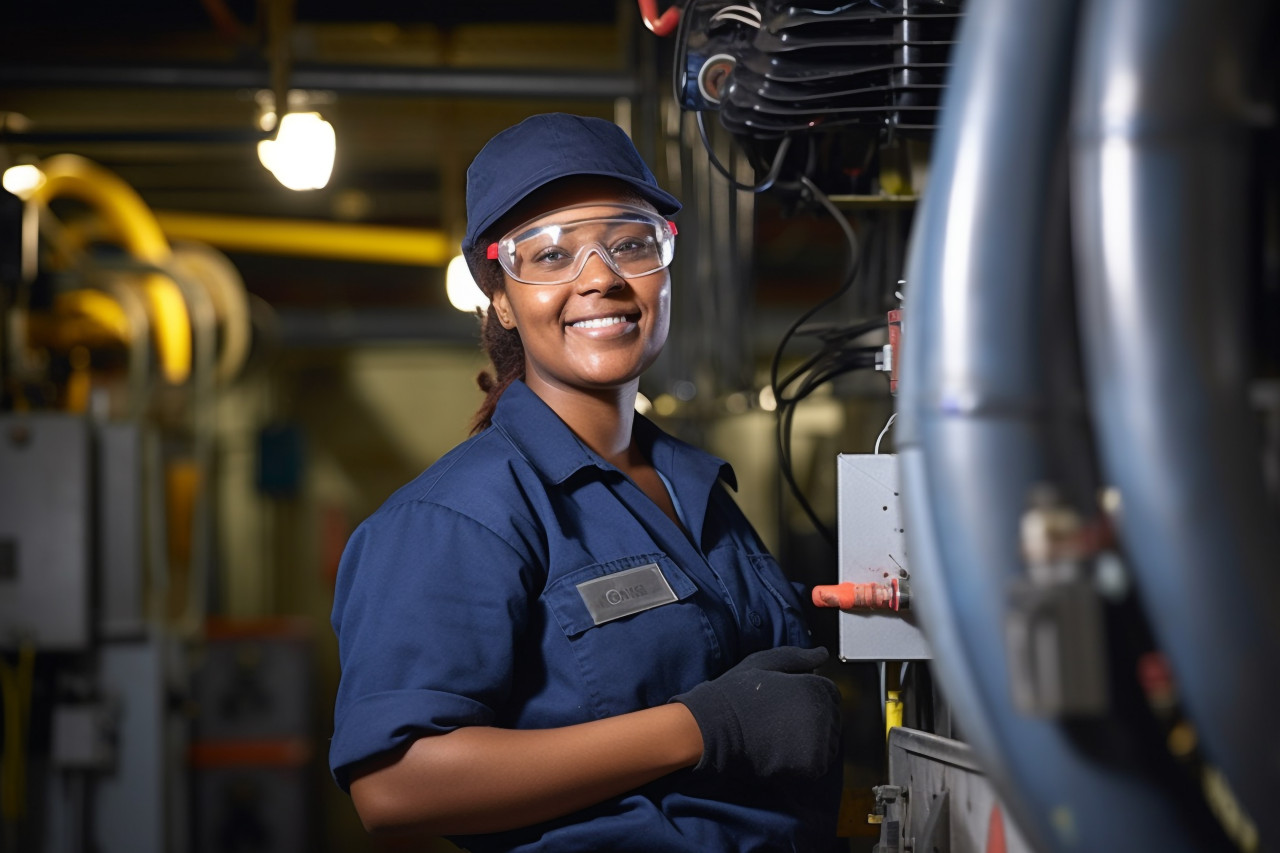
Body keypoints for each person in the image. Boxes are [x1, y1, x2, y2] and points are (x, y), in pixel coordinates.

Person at [329, 113, 843, 852]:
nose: (599, 276)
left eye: (629, 243)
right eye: (549, 254)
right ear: (501, 298)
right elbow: (396, 784)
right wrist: (702, 727)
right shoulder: (458, 516)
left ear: (664, 268)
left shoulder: (700, 492)